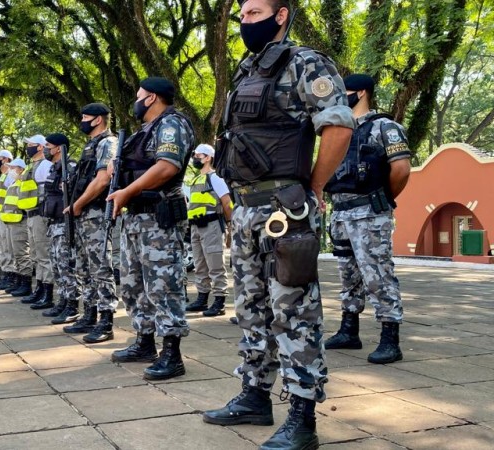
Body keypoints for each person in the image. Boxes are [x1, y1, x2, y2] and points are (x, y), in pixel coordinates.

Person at [201, 2, 354, 449]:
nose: (244, 21)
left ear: (281, 14)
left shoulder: (304, 61)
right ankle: (254, 395)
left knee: (295, 312)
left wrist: (315, 187)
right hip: (247, 209)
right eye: (242, 15)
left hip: (284, 210)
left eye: (253, 12)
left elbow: (339, 127)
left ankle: (303, 418)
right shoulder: (248, 70)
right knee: (251, 309)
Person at [106, 77, 195, 381]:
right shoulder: (142, 132)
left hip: (159, 218)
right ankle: (144, 341)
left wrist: (127, 191)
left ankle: (172, 354)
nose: (136, 101)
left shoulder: (171, 124)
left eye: (139, 95)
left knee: (163, 284)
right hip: (136, 218)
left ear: (153, 98)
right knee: (133, 284)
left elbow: (167, 166)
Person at [323, 73, 411, 364]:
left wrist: (381, 200)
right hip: (341, 212)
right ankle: (349, 329)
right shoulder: (337, 130)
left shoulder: (385, 127)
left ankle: (390, 337)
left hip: (370, 214)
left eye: (343, 91)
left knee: (377, 274)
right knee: (347, 274)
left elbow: (401, 170)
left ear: (360, 92)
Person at [61, 103, 119, 343]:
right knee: (84, 267)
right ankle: (90, 313)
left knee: (100, 268)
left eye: (86, 117)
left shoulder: (107, 143)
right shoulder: (90, 145)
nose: (82, 120)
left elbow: (103, 179)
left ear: (98, 120)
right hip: (83, 215)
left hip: (95, 213)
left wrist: (78, 204)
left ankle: (106, 321)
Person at [185, 144, 232, 317]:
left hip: (212, 226)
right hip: (196, 227)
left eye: (199, 155)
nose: (195, 158)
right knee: (199, 264)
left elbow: (226, 203)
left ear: (208, 158)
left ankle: (219, 301)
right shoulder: (196, 179)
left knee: (215, 265)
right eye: (195, 155)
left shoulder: (216, 178)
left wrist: (230, 225)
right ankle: (202, 298)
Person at [41, 133, 80, 325]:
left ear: (58, 148)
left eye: (48, 145)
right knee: (57, 266)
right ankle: (63, 300)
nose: (45, 148)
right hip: (54, 224)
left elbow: (72, 194)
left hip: (65, 224)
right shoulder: (54, 168)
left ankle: (72, 305)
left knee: (66, 266)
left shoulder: (69, 167)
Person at [17, 135, 53, 303]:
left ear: (40, 147)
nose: (28, 147)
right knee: (35, 254)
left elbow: (48, 191)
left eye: (31, 144)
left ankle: (47, 292)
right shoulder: (31, 166)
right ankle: (39, 288)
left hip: (40, 214)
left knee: (44, 254)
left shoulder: (45, 165)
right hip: (30, 215)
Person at [0, 158, 33, 296]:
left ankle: (26, 284)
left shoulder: (23, 183)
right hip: (11, 222)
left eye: (13, 168)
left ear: (20, 169)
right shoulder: (14, 183)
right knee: (16, 254)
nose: (10, 171)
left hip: (20, 222)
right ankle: (19, 281)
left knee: (22, 254)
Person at [0, 150, 17, 290]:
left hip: (9, 216)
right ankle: (6, 275)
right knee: (4, 248)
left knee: (9, 249)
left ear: (6, 159)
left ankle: (11, 277)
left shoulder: (11, 175)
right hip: (1, 215)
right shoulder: (1, 176)